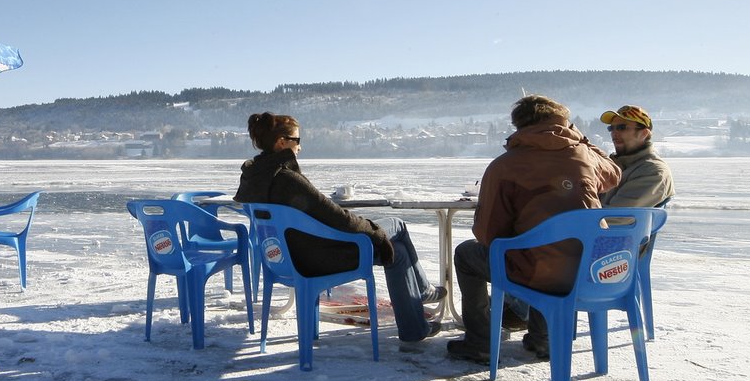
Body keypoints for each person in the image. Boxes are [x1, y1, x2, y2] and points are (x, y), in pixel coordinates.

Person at [234, 112, 444, 342]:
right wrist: (373, 231)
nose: (300, 147)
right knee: (397, 225)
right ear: (281, 142)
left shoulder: (254, 176)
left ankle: (415, 326)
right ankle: (421, 297)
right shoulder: (287, 179)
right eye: (297, 140)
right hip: (316, 257)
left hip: (282, 259)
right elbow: (337, 218)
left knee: (398, 252)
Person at [447, 95, 622, 364]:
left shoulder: (504, 166)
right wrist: (582, 139)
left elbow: (487, 235)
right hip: (591, 268)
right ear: (563, 123)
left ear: (518, 125)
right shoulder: (585, 156)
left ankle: (480, 342)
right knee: (554, 249)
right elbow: (613, 174)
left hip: (538, 271)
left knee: (468, 254)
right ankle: (543, 338)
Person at [599, 105, 676, 207]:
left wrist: (574, 215)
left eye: (622, 127)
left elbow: (619, 215)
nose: (614, 133)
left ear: (643, 133)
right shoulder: (611, 165)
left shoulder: (653, 171)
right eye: (611, 128)